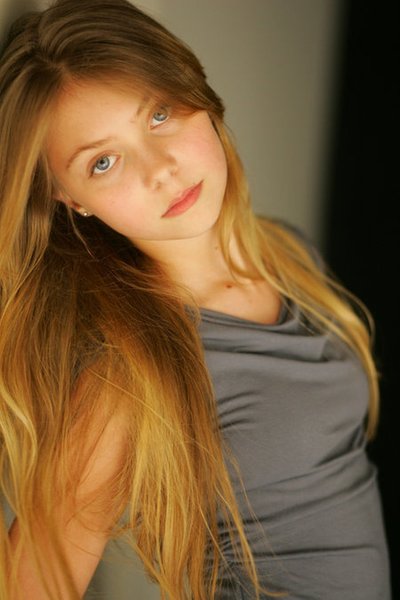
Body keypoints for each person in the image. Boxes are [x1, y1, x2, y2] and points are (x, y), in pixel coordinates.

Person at [0, 0, 391, 598]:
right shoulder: (125, 376)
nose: (160, 169)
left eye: (158, 114)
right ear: (69, 199)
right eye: (103, 162)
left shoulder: (287, 254)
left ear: (196, 92)